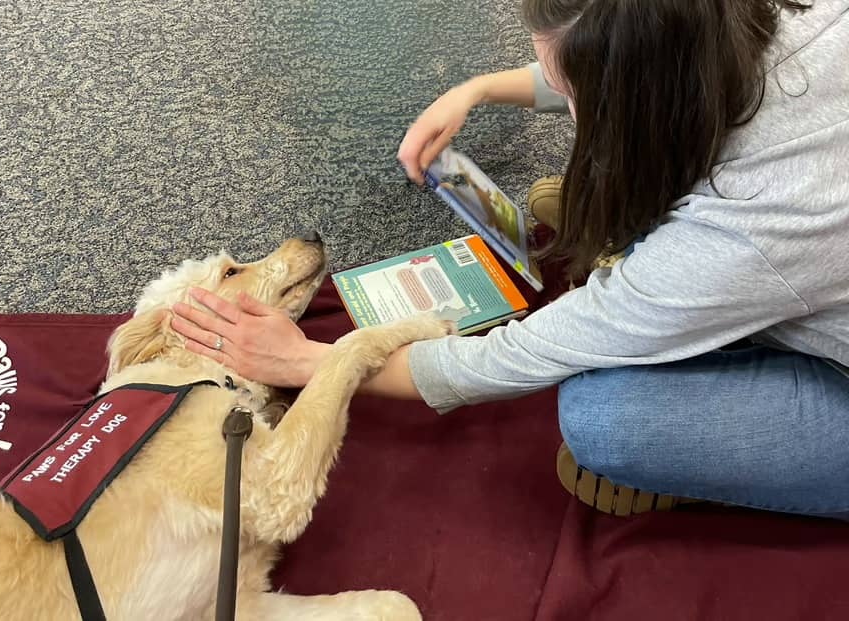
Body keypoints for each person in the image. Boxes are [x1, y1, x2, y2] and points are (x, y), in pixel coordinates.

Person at [172, 0, 849, 519]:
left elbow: (510, 358)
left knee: (601, 417)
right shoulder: (778, 14)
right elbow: (641, 57)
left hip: (810, 329)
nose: (571, 109)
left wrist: (313, 362)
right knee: (620, 213)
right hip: (791, 260)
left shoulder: (748, 228)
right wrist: (480, 89)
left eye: (576, 95)